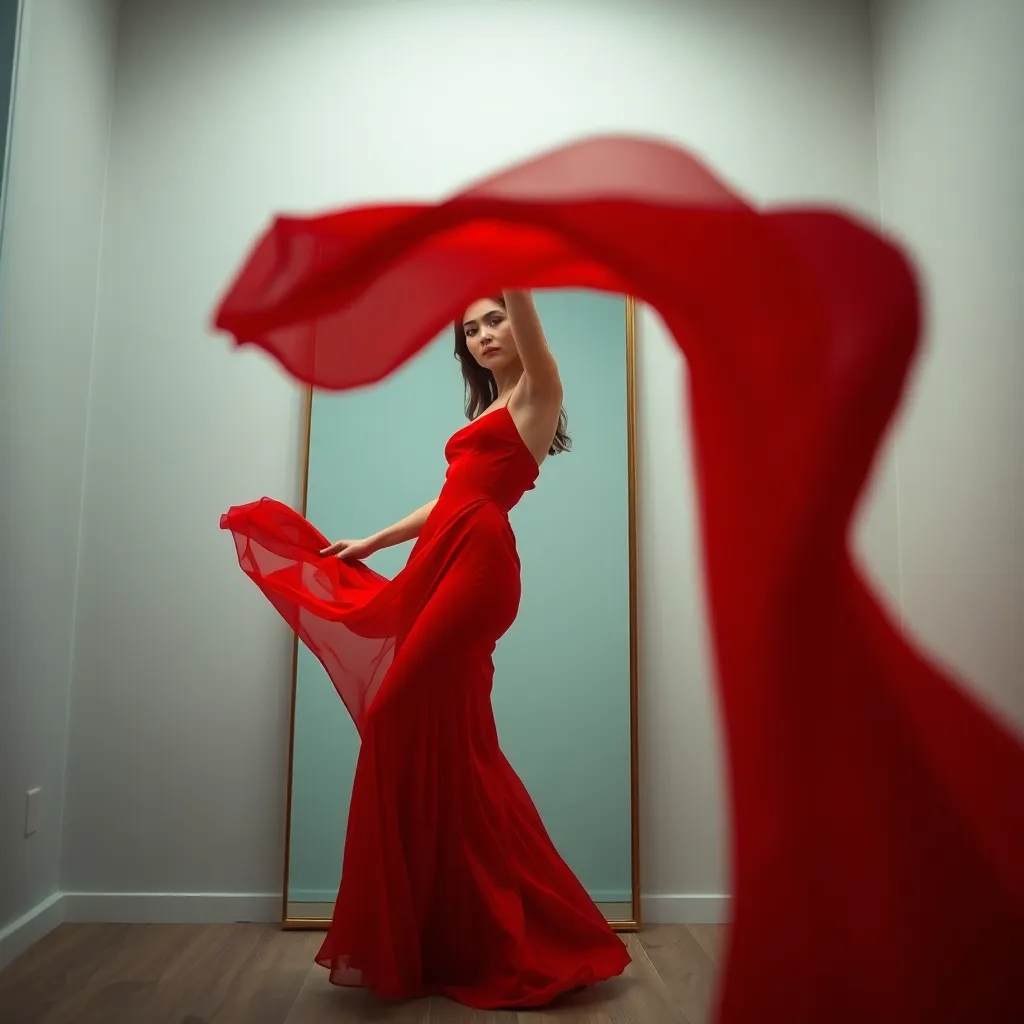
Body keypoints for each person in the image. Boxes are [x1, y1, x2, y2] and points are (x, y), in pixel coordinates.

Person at [305, 289, 630, 1007]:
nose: (484, 334)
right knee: (456, 747)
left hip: (479, 568)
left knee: (396, 718)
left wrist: (498, 241)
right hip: (447, 553)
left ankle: (507, 926)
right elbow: (452, 495)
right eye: (471, 329)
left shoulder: (539, 390)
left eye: (496, 318)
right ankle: (459, 930)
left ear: (521, 323)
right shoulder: (488, 411)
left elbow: (477, 501)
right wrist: (375, 540)